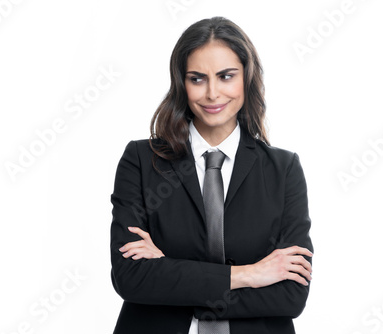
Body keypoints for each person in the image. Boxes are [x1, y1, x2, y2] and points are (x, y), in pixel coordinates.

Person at [110, 16, 313, 334]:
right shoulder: (141, 160)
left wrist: (169, 275)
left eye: (226, 76)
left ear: (246, 78)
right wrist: (250, 274)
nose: (212, 93)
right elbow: (131, 278)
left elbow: (290, 295)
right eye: (197, 78)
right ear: (181, 82)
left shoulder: (283, 170)